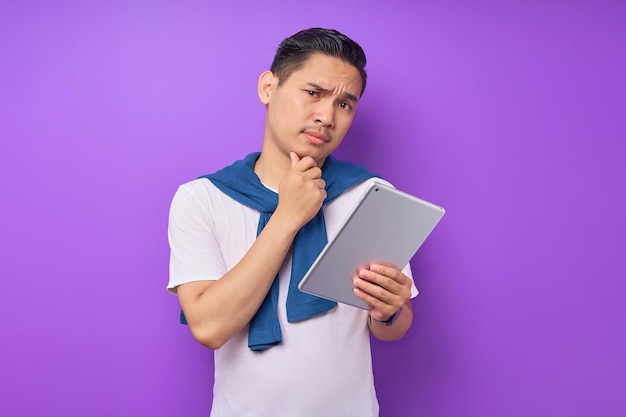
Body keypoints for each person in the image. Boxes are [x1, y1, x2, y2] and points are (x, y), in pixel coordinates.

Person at [167, 27, 417, 417]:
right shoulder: (202, 199)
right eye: (313, 93)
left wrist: (390, 312)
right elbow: (209, 328)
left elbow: (392, 327)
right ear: (269, 87)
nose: (326, 116)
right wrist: (287, 216)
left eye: (345, 104)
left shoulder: (371, 194)